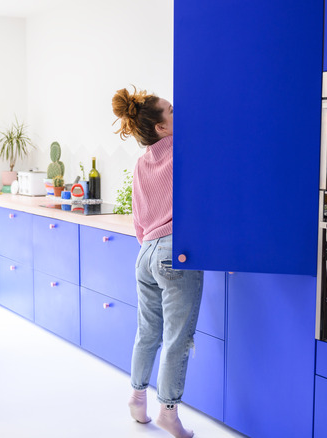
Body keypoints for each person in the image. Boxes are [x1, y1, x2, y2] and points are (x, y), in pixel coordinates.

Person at [112, 87, 203, 438]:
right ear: (162, 128)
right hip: (174, 252)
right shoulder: (184, 152)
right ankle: (168, 411)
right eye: (172, 111)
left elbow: (138, 219)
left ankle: (137, 399)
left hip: (146, 252)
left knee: (148, 332)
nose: (178, 113)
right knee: (177, 338)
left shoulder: (141, 162)